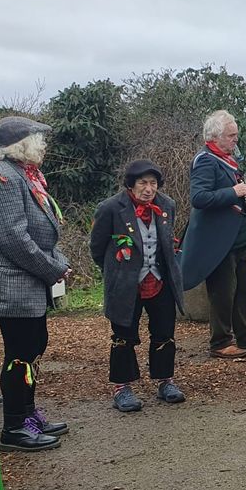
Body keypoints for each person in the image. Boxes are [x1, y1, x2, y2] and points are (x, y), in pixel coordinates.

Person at [0, 116, 70, 451]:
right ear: (21, 143)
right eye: (38, 138)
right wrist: (51, 268)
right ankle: (14, 427)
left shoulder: (23, 175)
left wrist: (56, 260)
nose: (43, 144)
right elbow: (12, 238)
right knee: (21, 351)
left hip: (24, 280)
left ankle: (27, 414)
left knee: (34, 345)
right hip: (10, 282)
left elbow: (38, 229)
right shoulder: (2, 178)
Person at [89, 160, 187, 412]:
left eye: (153, 183)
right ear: (131, 184)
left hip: (161, 280)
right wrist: (117, 272)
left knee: (164, 332)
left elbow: (166, 244)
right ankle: (122, 387)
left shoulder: (167, 206)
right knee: (124, 335)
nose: (148, 189)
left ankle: (166, 381)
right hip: (126, 283)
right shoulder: (111, 208)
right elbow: (97, 248)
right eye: (143, 183)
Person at [179, 110, 246, 358]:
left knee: (244, 287)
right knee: (223, 291)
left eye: (236, 135)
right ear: (215, 136)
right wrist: (233, 192)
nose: (236, 140)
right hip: (217, 240)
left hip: (237, 236)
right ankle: (220, 342)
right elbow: (199, 198)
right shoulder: (205, 160)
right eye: (231, 136)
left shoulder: (228, 159)